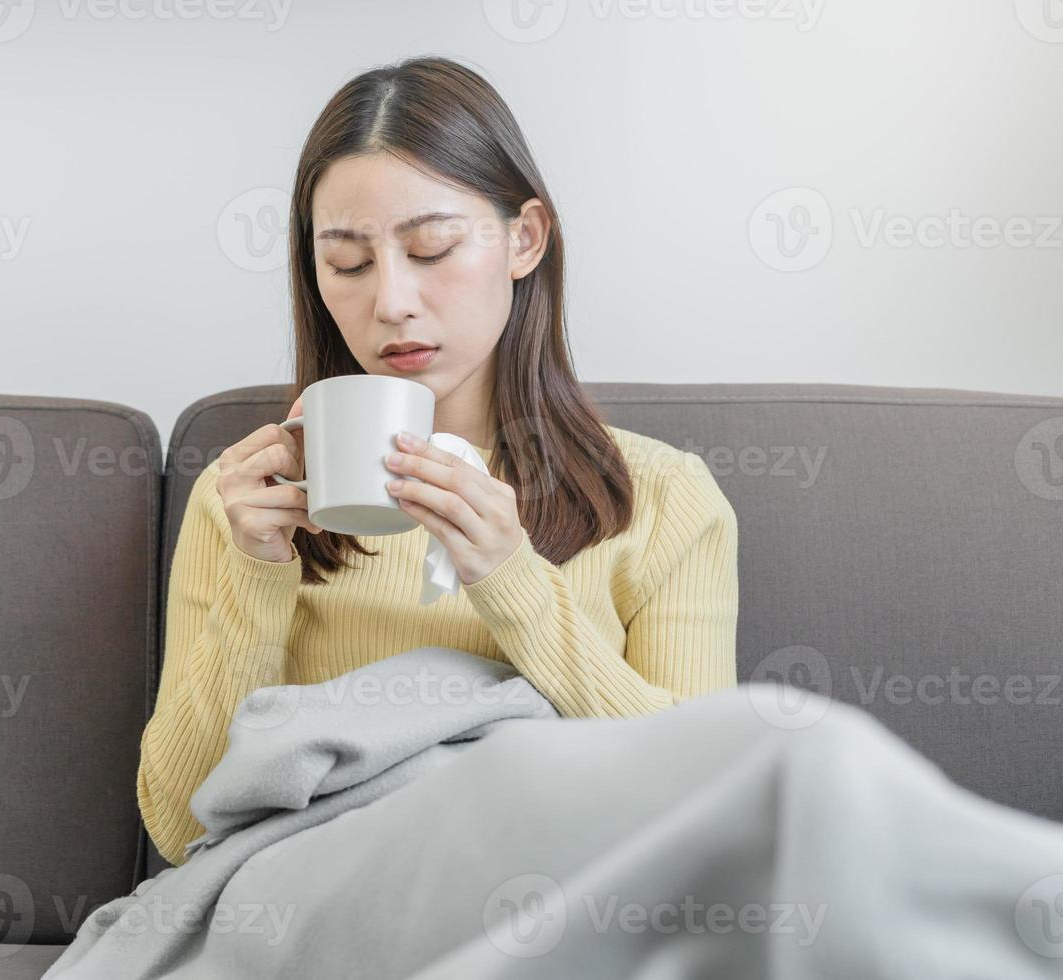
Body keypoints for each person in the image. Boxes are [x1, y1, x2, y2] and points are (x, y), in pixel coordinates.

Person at [137, 56, 740, 868]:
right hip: (326, 904)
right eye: (347, 263)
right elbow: (180, 831)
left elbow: (706, 811)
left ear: (524, 240)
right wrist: (257, 576)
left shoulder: (664, 500)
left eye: (432, 248)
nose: (390, 301)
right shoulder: (249, 502)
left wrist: (512, 579)